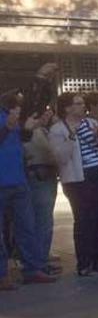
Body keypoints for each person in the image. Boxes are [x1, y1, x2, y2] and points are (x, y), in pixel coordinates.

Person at [49, 92, 98, 276]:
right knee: (84, 219)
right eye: (77, 103)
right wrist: (71, 136)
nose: (82, 106)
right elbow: (60, 157)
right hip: (77, 178)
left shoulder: (92, 123)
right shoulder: (57, 129)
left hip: (97, 173)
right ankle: (84, 263)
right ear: (67, 108)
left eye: (82, 103)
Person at [0, 94, 56, 289]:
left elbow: (20, 140)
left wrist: (27, 129)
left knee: (27, 227)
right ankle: (2, 275)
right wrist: (7, 127)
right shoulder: (7, 121)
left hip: (18, 180)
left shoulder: (13, 119)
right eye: (15, 105)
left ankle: (33, 269)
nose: (17, 108)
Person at [23, 107, 61, 275]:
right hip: (39, 176)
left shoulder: (44, 130)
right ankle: (37, 262)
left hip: (47, 175)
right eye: (43, 112)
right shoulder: (30, 131)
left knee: (45, 221)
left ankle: (40, 259)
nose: (47, 115)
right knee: (42, 222)